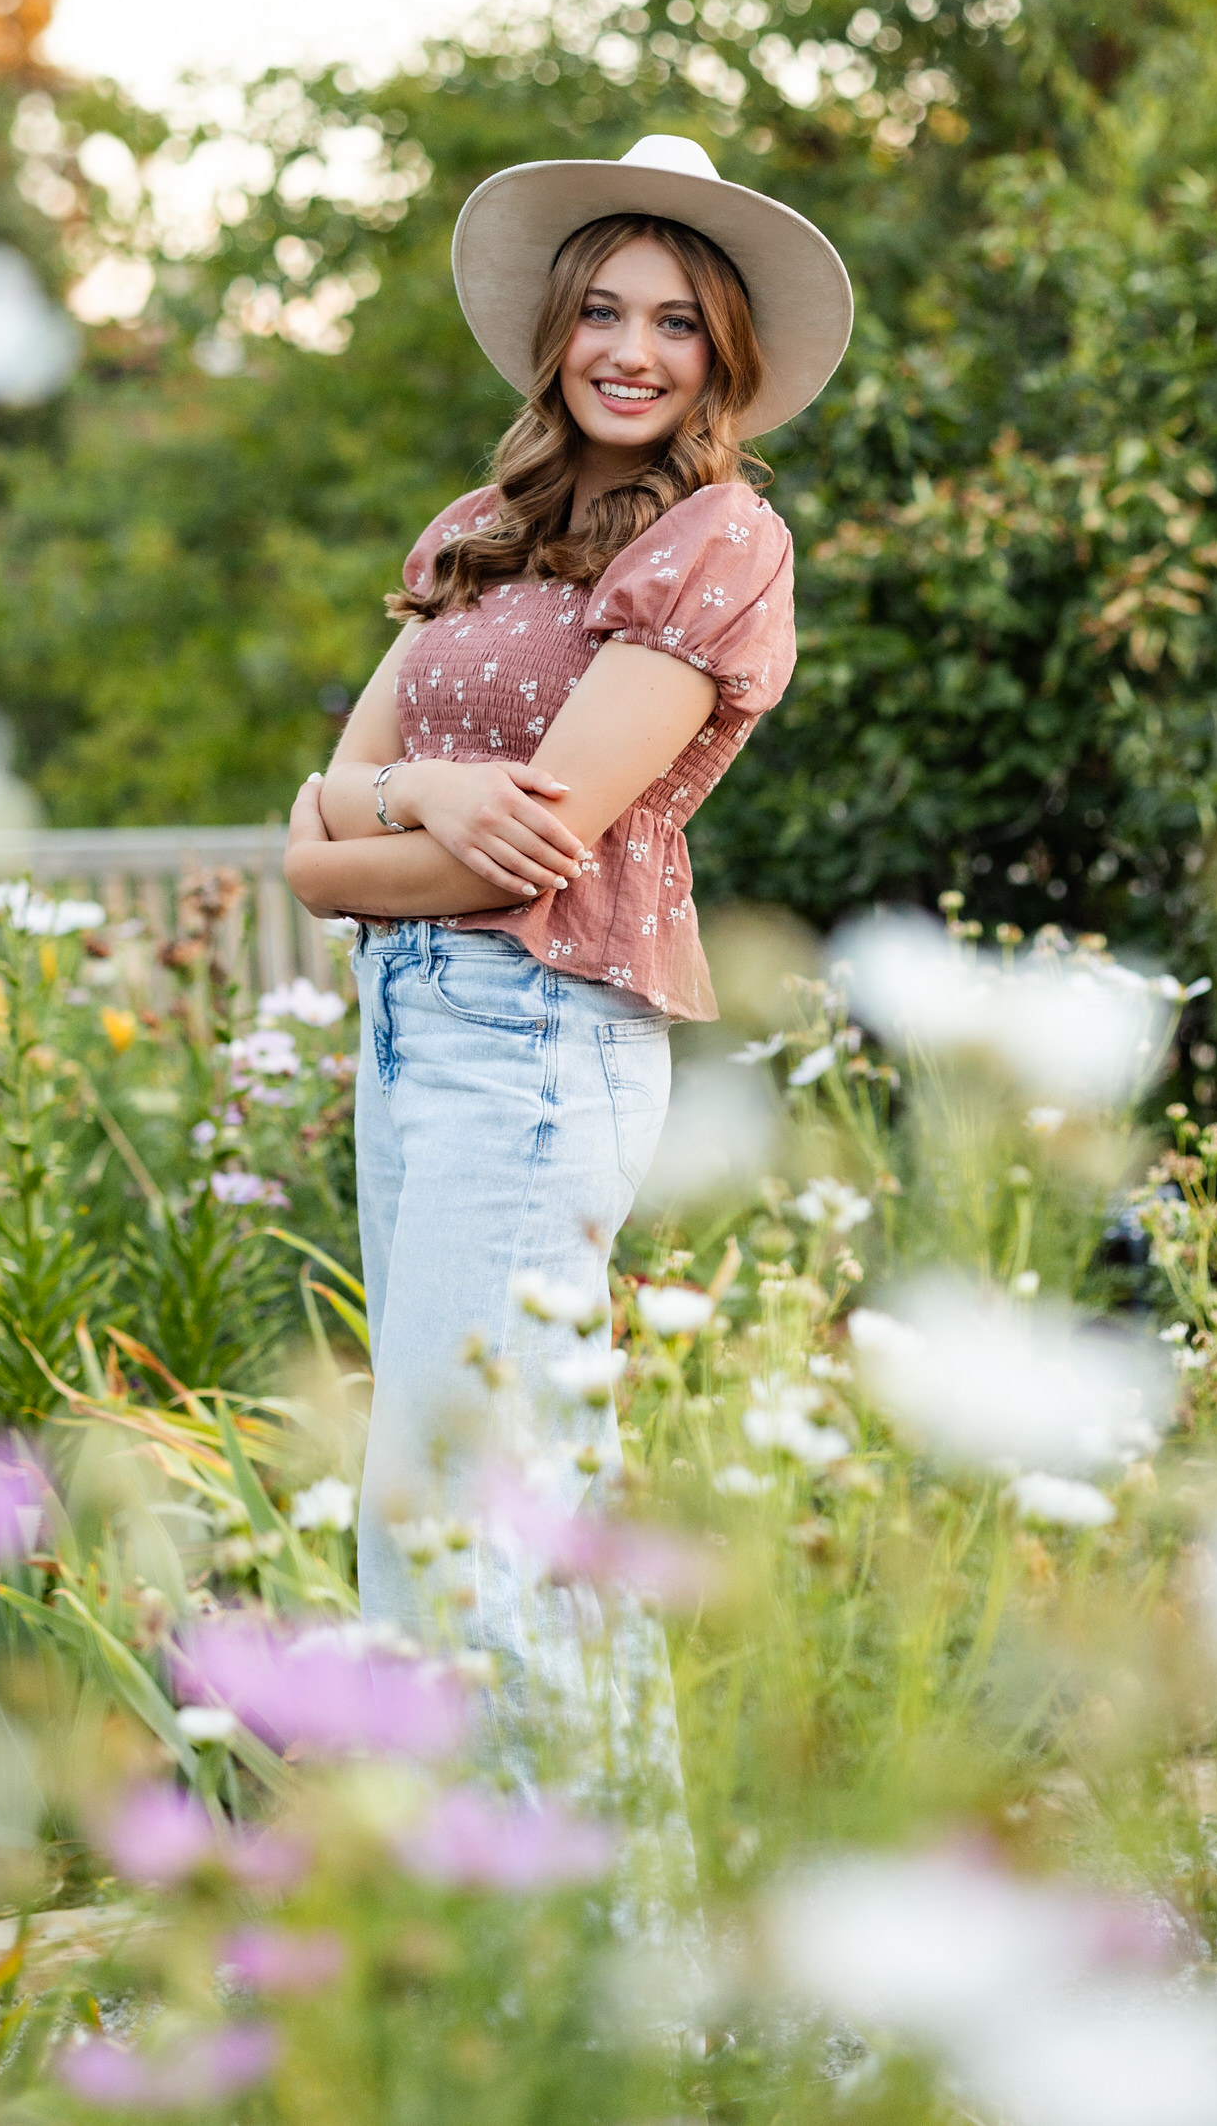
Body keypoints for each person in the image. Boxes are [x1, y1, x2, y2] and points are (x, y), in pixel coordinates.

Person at [283, 134, 852, 1776]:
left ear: (723, 354)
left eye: (677, 322)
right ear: (557, 332)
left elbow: (554, 825)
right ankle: (481, 1945)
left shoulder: (721, 540)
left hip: (540, 1034)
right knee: (432, 1502)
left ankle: (593, 1958)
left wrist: (393, 815)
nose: (631, 348)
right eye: (602, 309)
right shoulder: (474, 529)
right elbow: (315, 855)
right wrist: (426, 795)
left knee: (491, 1505)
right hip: (415, 1029)